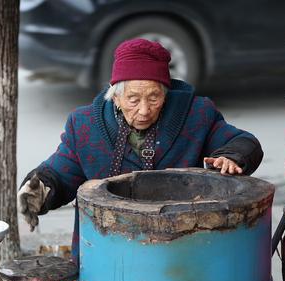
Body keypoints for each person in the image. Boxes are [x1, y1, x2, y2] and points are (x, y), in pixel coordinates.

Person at [17, 38, 263, 263]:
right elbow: (61, 171)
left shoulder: (195, 115)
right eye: (133, 99)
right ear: (115, 97)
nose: (144, 110)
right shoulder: (85, 125)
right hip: (107, 250)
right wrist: (41, 188)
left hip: (181, 250)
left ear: (165, 95)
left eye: (154, 98)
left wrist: (231, 157)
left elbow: (243, 142)